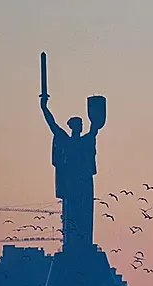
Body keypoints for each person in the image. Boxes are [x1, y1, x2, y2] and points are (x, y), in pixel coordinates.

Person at [41, 94, 100, 250]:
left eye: (81, 124)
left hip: (85, 183)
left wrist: (96, 117)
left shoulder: (85, 141)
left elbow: (94, 130)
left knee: (86, 214)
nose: (80, 127)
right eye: (78, 124)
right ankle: (73, 243)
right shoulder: (65, 141)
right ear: (73, 127)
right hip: (72, 184)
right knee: (72, 213)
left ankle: (84, 242)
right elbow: (52, 124)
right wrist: (44, 107)